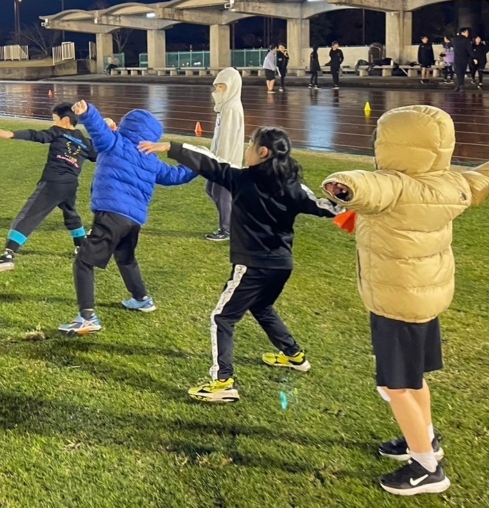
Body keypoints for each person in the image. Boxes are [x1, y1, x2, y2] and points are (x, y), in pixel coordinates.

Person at [322, 106, 489, 496]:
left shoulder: (398, 187)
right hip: (424, 298)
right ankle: (424, 439)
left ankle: (426, 467)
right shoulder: (451, 184)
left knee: (396, 387)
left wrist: (342, 184)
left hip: (397, 301)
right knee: (413, 380)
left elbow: (369, 185)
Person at [140, 128, 342, 403]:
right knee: (261, 307)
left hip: (253, 266)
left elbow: (209, 163)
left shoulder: (241, 179)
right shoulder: (292, 186)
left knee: (222, 318)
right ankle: (294, 356)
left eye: (250, 144)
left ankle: (223, 382)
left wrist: (171, 148)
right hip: (282, 266)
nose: (246, 148)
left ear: (263, 152)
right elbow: (326, 208)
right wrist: (342, 194)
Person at [59, 100, 196, 335]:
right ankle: (142, 298)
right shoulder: (151, 159)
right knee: (125, 258)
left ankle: (87, 317)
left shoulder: (114, 143)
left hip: (111, 213)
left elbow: (98, 131)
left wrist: (88, 112)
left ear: (127, 126)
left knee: (84, 260)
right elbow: (175, 176)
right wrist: (198, 164)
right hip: (133, 221)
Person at [0, 102, 98, 273]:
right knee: (71, 214)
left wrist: (11, 134)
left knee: (28, 216)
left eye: (54, 119)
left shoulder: (58, 131)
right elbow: (98, 154)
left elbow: (36, 135)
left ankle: (7, 255)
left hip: (52, 183)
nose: (52, 123)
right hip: (70, 185)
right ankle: (82, 248)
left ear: (65, 120)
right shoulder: (84, 140)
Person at [204, 68, 245, 243]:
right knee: (211, 190)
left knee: (222, 194)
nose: (217, 90)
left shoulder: (231, 108)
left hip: (226, 162)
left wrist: (221, 163)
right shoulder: (225, 107)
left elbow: (227, 139)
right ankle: (232, 221)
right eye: (217, 86)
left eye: (221, 87)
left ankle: (227, 229)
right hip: (219, 160)